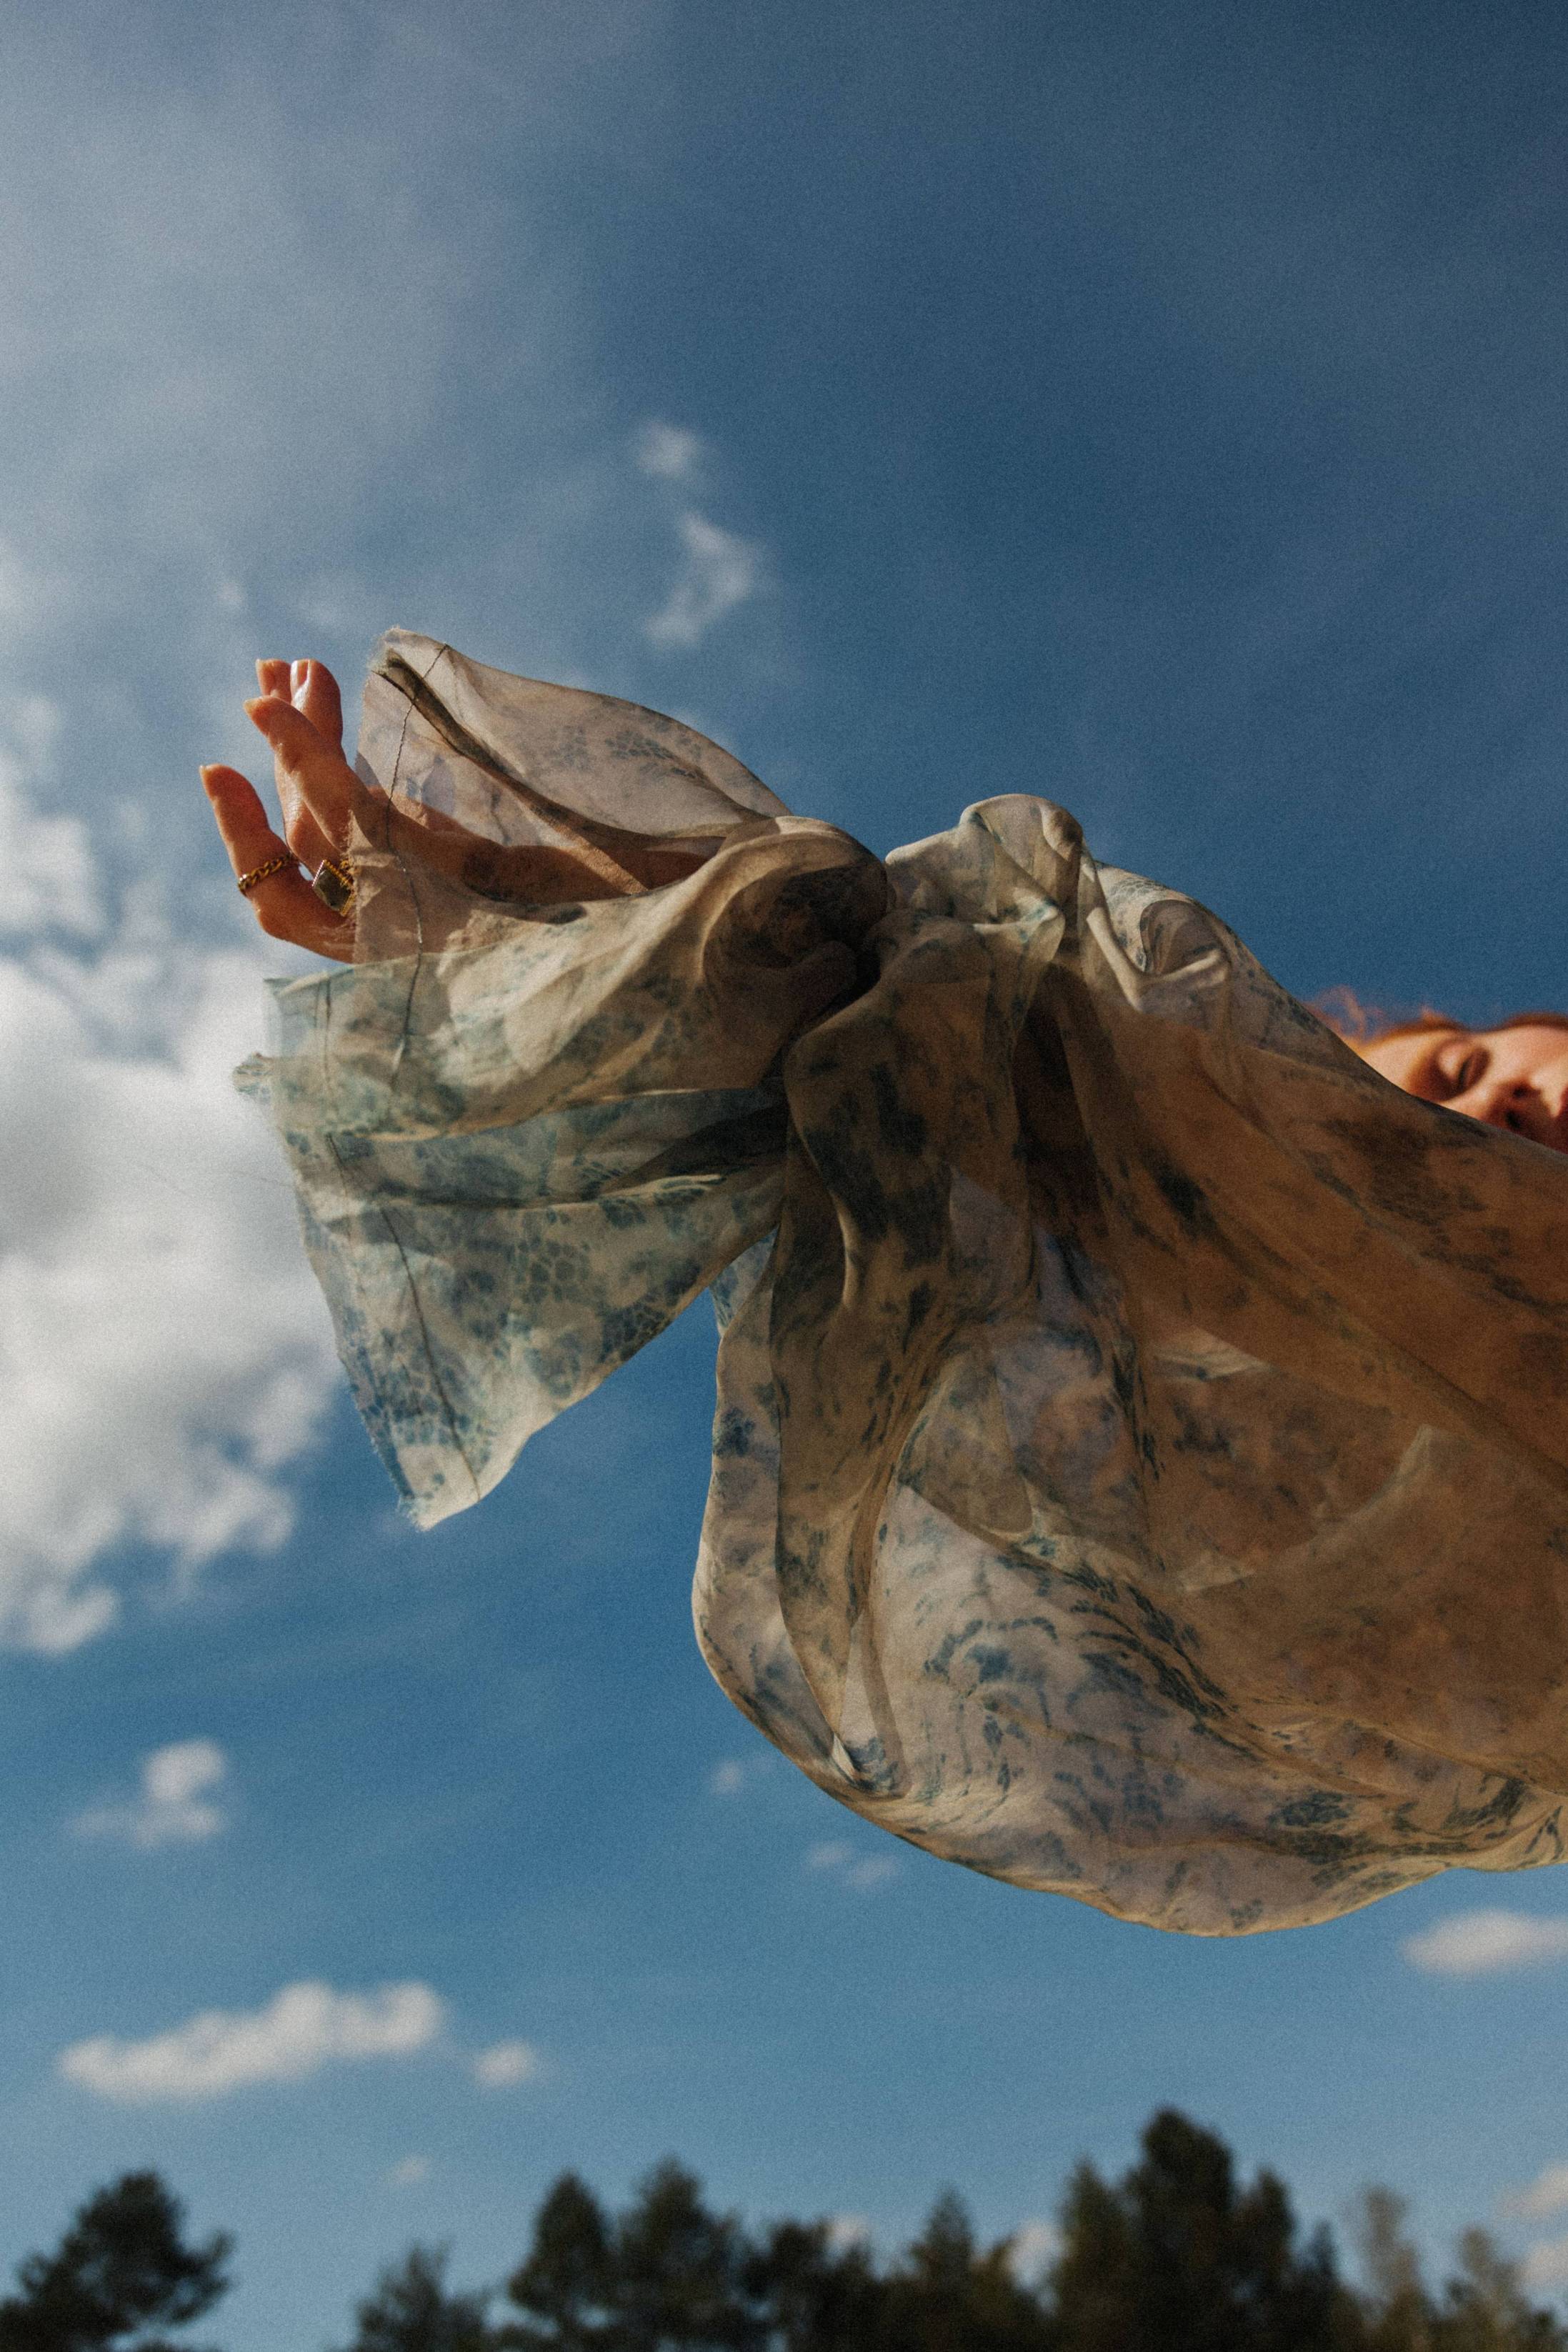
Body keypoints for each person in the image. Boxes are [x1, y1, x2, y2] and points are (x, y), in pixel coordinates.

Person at [201, 635, 1568, 1938]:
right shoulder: (1335, 1437)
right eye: (1442, 1093)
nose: (1495, 1106)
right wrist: (520, 914)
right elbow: (914, 1022)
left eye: (1500, 1068)